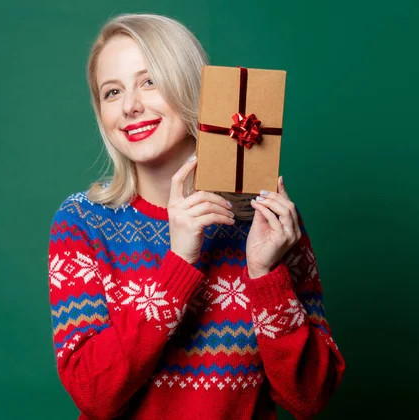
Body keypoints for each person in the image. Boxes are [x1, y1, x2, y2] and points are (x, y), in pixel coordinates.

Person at [47, 13, 345, 420]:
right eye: (112, 92)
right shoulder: (82, 221)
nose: (131, 106)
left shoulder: (267, 222)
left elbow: (309, 397)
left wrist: (266, 274)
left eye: (149, 81)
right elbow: (93, 395)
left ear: (194, 91)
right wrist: (178, 264)